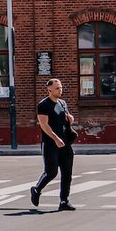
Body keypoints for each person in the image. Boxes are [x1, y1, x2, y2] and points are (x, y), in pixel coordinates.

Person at [30, 78, 77, 211]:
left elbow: (64, 119)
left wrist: (70, 119)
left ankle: (64, 201)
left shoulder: (62, 103)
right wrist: (55, 138)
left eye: (61, 87)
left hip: (65, 143)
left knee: (67, 173)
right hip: (50, 143)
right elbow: (44, 125)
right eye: (57, 88)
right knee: (51, 172)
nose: (60, 90)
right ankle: (36, 189)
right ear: (49, 89)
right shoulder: (43, 105)